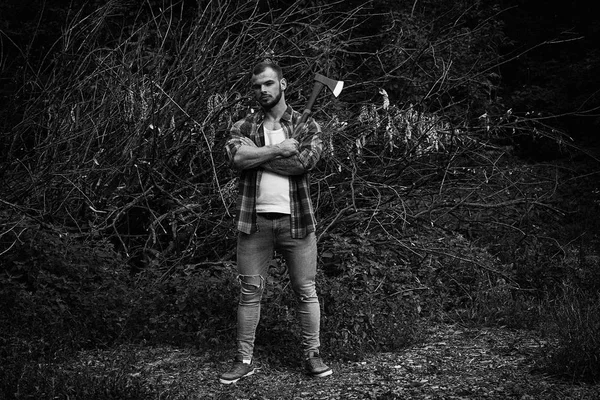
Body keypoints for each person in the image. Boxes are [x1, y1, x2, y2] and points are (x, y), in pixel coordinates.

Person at [220, 61, 332, 384]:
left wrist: (258, 156)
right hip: (254, 223)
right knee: (249, 291)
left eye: (268, 83)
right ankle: (244, 359)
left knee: (305, 290)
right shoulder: (243, 126)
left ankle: (313, 355)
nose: (262, 90)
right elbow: (235, 158)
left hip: (296, 221)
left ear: (282, 85)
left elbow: (304, 162)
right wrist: (279, 149)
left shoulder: (306, 124)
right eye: (257, 86)